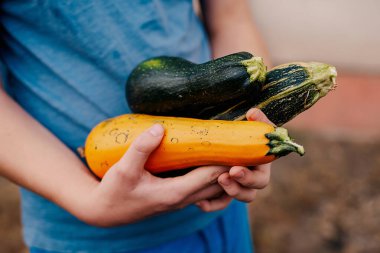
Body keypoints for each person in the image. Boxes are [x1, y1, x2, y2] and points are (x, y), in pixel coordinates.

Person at [0, 1, 272, 252]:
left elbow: (231, 19)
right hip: (93, 237)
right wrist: (87, 200)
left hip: (221, 205)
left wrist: (248, 132)